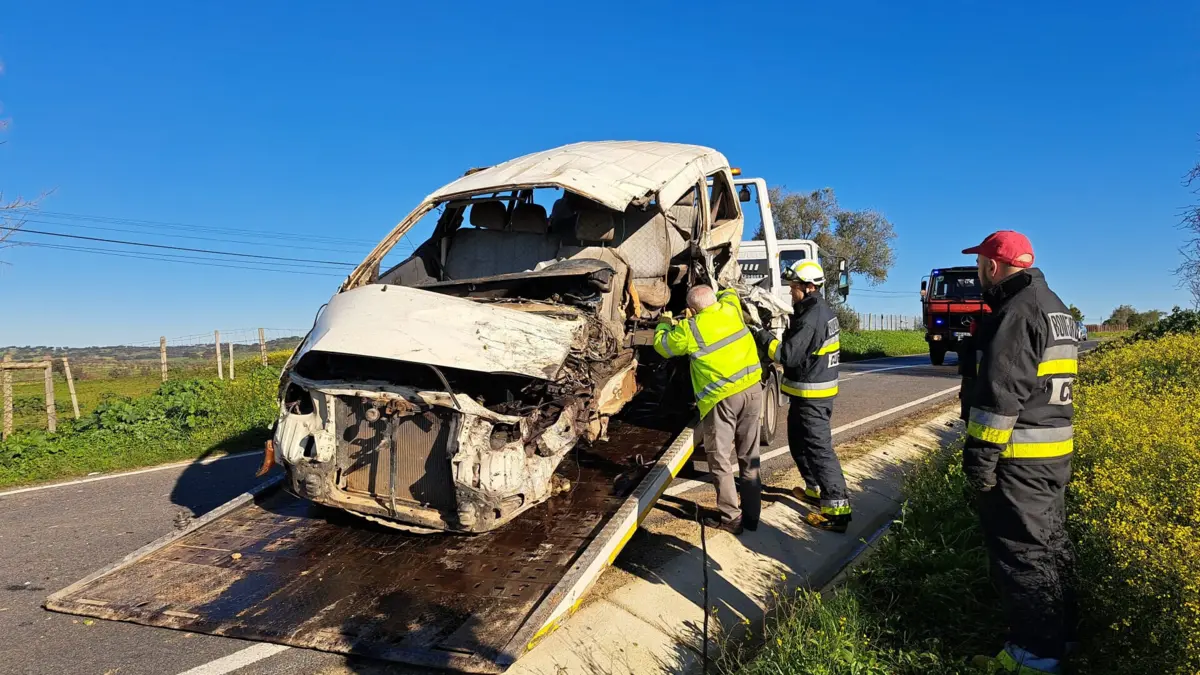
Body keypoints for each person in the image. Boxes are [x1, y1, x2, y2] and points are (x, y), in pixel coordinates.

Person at [960, 231, 1079, 675]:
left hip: (1019, 458)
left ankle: (1033, 656)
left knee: (1022, 556)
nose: (979, 272)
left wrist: (979, 462)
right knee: (1051, 547)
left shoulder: (1017, 311)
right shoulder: (1054, 305)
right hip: (1052, 454)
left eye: (979, 265)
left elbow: (1000, 395)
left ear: (992, 265)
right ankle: (1061, 637)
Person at [654, 284, 764, 534]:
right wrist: (715, 287)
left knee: (720, 458)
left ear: (692, 310)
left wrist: (664, 323)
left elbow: (663, 346)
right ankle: (752, 516)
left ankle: (731, 517)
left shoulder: (690, 328)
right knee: (749, 455)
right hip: (753, 390)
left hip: (722, 399)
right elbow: (731, 293)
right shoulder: (731, 309)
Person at [752, 260, 851, 533]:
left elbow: (787, 355)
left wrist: (760, 334)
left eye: (794, 287)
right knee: (798, 443)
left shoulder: (812, 317)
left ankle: (837, 511)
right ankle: (816, 489)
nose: (790, 292)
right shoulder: (811, 311)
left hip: (813, 398)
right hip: (805, 395)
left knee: (819, 450)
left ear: (808, 287)